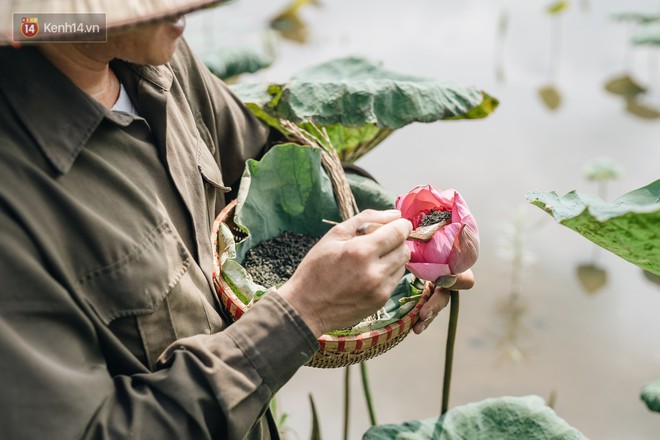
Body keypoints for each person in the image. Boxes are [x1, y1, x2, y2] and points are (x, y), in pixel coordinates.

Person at [0, 1, 474, 438]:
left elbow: (269, 158)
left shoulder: (158, 53)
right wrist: (302, 313)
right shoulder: (15, 205)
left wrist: (411, 234)